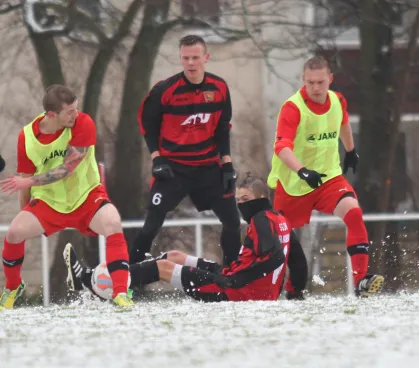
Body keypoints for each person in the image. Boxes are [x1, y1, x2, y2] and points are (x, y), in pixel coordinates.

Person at [64, 174, 309, 303]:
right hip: (239, 285)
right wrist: (294, 292)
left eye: (244, 200)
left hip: (236, 292)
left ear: (260, 198)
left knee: (163, 267)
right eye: (238, 200)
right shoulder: (281, 220)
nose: (240, 205)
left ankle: (88, 280)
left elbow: (274, 255)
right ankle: (109, 276)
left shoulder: (260, 220)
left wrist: (236, 281)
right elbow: (297, 263)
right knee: (175, 257)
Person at [0, 85, 133, 308]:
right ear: (52, 114)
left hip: (86, 196)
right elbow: (25, 177)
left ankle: (121, 293)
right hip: (49, 202)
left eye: (76, 109)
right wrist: (26, 209)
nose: (75, 114)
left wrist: (29, 182)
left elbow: (67, 169)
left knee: (113, 223)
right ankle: (13, 287)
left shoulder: (83, 123)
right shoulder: (27, 136)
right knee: (14, 233)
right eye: (69, 111)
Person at [267, 56, 384, 297]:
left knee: (353, 212)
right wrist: (302, 171)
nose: (316, 88)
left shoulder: (337, 100)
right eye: (310, 83)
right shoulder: (293, 107)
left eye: (321, 82)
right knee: (283, 245)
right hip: (293, 185)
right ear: (303, 80)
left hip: (328, 178)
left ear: (330, 79)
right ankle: (287, 288)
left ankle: (361, 281)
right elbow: (281, 147)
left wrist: (351, 151)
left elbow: (343, 123)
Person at [131, 34, 240, 267]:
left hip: (208, 167)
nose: (191, 63)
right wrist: (156, 158)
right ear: (180, 59)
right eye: (186, 58)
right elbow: (147, 125)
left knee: (232, 221)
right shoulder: (164, 90)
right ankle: (128, 279)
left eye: (195, 57)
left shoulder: (219, 87)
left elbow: (223, 127)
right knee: (151, 223)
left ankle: (232, 278)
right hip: (173, 169)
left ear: (206, 57)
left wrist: (227, 163)